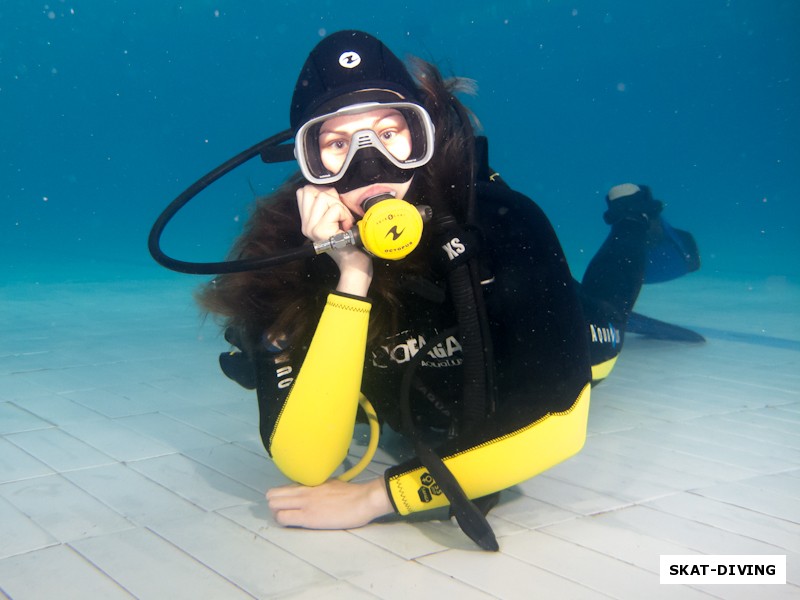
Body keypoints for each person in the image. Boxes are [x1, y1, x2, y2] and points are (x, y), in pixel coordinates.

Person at [196, 30, 699, 548]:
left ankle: (634, 218)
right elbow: (307, 461)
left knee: (608, 316)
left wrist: (378, 498)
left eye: (390, 132)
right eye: (336, 144)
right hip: (421, 394)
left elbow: (560, 425)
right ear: (309, 166)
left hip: (529, 345)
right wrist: (352, 273)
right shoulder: (287, 259)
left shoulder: (502, 222)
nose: (369, 165)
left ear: (423, 135)